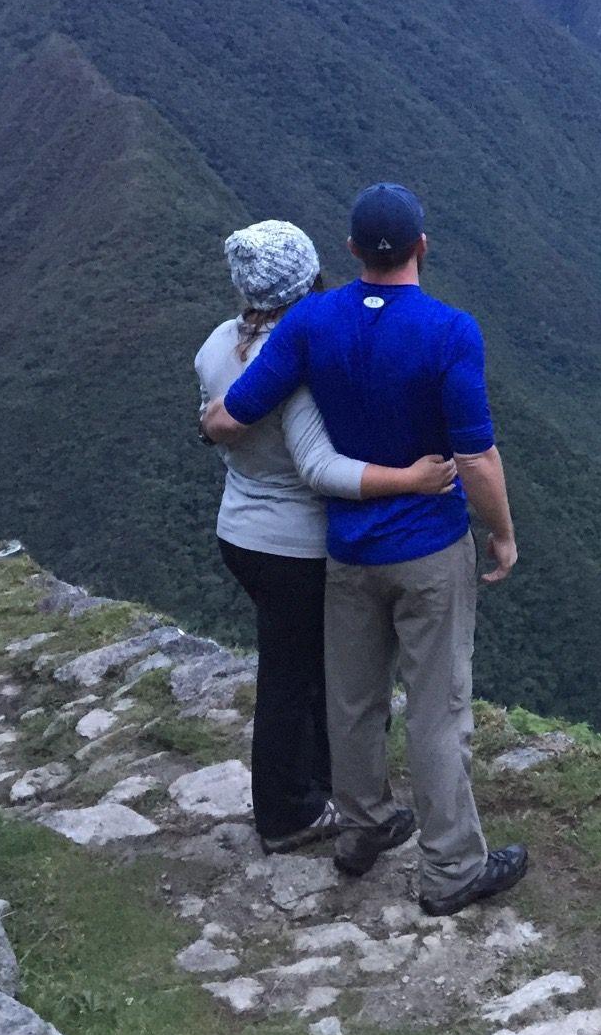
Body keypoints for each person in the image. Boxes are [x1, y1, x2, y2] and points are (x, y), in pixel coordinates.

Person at [200, 184, 529, 916]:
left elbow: (238, 412)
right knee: (437, 710)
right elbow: (475, 458)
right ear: (422, 247)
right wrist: (501, 533)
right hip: (429, 549)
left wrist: (209, 420)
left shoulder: (312, 320)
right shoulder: (450, 331)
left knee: (352, 702)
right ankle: (450, 872)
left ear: (351, 251)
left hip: (347, 552)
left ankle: (361, 829)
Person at [195, 219, 458, 856]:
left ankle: (322, 791)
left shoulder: (218, 344)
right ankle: (288, 813)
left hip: (241, 532)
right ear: (311, 280)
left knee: (299, 669)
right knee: (299, 679)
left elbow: (212, 422)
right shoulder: (297, 363)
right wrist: (412, 479)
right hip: (295, 545)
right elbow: (319, 469)